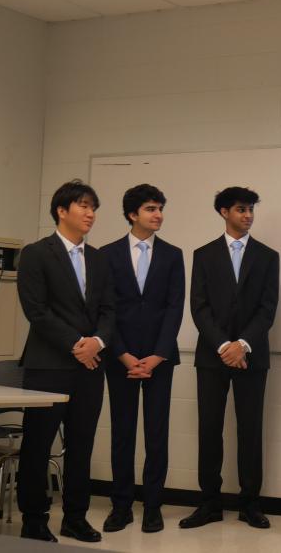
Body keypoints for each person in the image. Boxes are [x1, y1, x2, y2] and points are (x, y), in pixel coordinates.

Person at [15, 180, 114, 543]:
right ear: (61, 210)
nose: (90, 213)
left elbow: (110, 309)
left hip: (91, 367)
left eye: (93, 207)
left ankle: (75, 516)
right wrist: (76, 344)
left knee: (81, 444)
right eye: (83, 206)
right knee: (37, 445)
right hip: (48, 366)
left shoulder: (100, 258)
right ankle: (33, 519)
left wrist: (97, 342)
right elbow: (36, 311)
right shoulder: (36, 254)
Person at [180, 187, 279, 530]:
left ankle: (250, 504)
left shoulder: (267, 256)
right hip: (213, 357)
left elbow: (267, 309)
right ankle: (209, 503)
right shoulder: (204, 255)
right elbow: (199, 307)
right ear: (224, 212)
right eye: (241, 209)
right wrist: (225, 346)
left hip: (252, 356)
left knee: (250, 430)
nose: (248, 215)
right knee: (209, 429)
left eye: (251, 209)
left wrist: (243, 345)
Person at [99, 184, 185, 534]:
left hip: (159, 359)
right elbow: (106, 309)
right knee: (122, 433)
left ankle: (152, 506)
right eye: (151, 208)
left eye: (160, 208)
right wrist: (122, 354)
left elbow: (175, 307)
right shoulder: (107, 255)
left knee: (156, 434)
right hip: (120, 357)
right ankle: (121, 506)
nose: (158, 214)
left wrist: (157, 355)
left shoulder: (173, 254)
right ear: (132, 214)